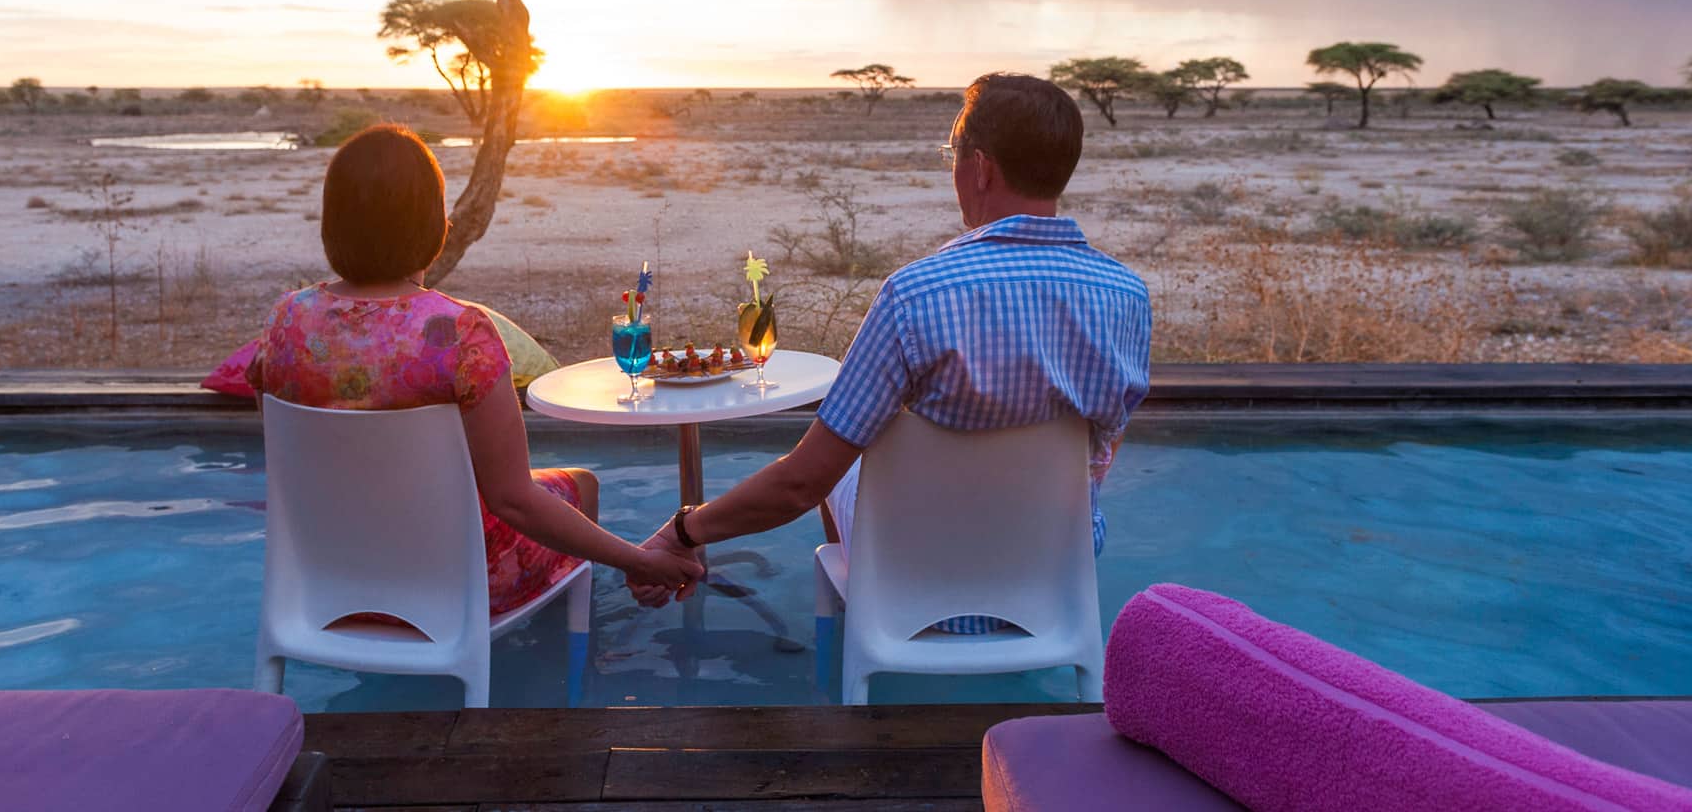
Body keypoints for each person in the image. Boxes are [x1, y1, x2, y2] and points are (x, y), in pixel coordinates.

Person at [629, 73, 1150, 624]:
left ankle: (870, 624)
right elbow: (1098, 455)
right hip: (1056, 573)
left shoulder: (917, 295)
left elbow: (801, 484)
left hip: (923, 581)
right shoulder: (1127, 296)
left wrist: (683, 530)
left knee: (845, 470)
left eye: (952, 154)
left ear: (980, 168)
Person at [249, 123, 700, 619]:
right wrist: (638, 561)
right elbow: (513, 501)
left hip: (330, 576)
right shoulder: (459, 332)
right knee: (580, 483)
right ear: (433, 220)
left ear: (333, 219)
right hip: (456, 582)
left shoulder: (284, 320)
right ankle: (560, 644)